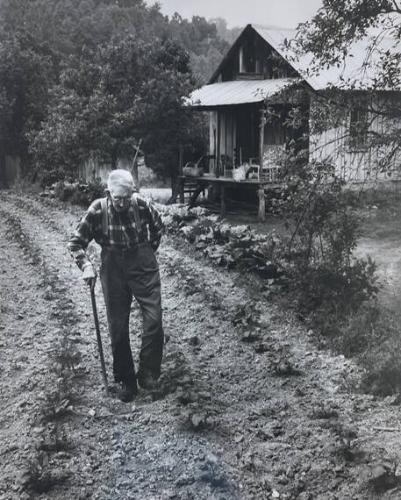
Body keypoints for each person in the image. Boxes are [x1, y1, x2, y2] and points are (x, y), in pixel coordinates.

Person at [68, 169, 164, 402]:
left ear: (132, 192)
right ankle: (126, 380)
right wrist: (87, 266)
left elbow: (158, 228)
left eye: (125, 197)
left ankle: (148, 373)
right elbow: (75, 243)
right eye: (117, 198)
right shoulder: (97, 209)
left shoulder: (142, 205)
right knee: (118, 326)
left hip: (142, 263)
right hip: (112, 266)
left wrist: (147, 252)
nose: (121, 203)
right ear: (109, 192)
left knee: (154, 318)